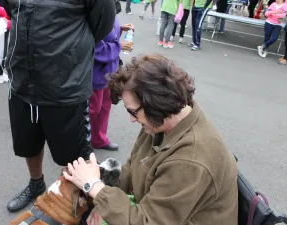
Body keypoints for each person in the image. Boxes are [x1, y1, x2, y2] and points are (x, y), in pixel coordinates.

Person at [64, 53, 239, 225]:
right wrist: (103, 202)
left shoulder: (190, 159)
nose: (132, 119)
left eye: (133, 112)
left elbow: (149, 222)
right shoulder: (161, 121)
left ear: (156, 104)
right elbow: (131, 170)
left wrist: (94, 186)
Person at [0, 0, 116, 213]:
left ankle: (75, 200)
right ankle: (36, 185)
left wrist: (68, 54)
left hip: (66, 86)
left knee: (74, 156)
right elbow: (10, 8)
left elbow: (102, 24)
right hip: (22, 81)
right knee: (28, 144)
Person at [89, 16, 134, 151]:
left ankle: (99, 139)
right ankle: (78, 140)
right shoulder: (95, 9)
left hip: (109, 71)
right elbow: (94, 47)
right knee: (92, 109)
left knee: (105, 107)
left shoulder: (109, 7)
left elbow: (108, 35)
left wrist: (119, 29)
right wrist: (120, 46)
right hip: (94, 73)